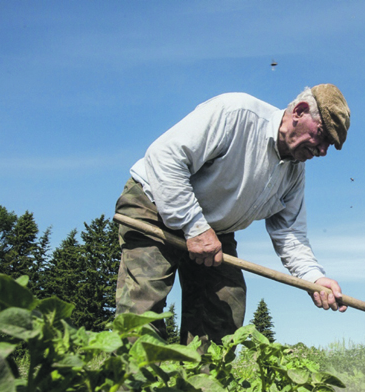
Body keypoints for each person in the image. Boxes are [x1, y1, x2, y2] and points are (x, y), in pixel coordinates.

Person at [114, 84, 350, 350]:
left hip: (214, 231)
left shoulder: (294, 172)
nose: (323, 151)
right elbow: (165, 158)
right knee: (143, 303)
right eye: (322, 137)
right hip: (154, 203)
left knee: (224, 306)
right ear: (300, 110)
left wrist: (313, 278)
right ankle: (134, 391)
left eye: (330, 145)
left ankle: (200, 388)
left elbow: (289, 233)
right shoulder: (236, 114)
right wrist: (193, 226)